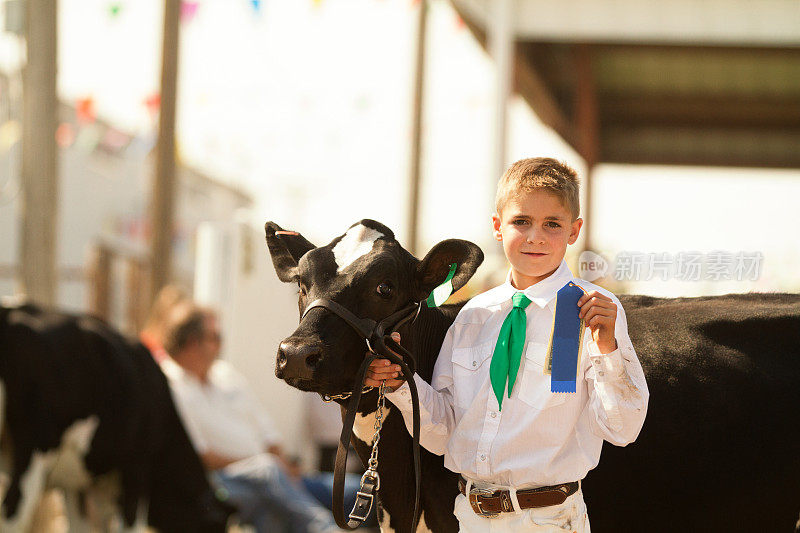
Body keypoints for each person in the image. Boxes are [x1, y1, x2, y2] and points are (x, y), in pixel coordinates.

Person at [366, 157, 649, 532]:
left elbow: (622, 429)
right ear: (498, 226)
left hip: (550, 519)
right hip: (469, 517)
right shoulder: (473, 315)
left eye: (553, 224)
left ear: (574, 230)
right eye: (521, 221)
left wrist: (607, 346)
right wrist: (402, 382)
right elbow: (445, 433)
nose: (536, 237)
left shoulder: (586, 311)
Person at [161, 302, 352, 533]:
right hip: (221, 483)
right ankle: (325, 529)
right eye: (216, 336)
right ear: (193, 342)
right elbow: (201, 457)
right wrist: (260, 464)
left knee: (356, 492)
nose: (221, 343)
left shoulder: (226, 374)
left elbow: (268, 432)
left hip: (275, 479)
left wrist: (281, 466)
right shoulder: (170, 387)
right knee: (266, 478)